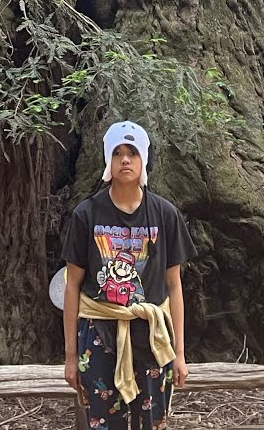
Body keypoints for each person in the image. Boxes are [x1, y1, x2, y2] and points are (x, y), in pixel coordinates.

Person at [62, 121, 197, 429]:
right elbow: (72, 286)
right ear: (108, 159)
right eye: (118, 153)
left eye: (133, 152)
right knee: (103, 422)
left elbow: (174, 287)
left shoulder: (165, 215)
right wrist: (71, 357)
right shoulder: (86, 214)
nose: (125, 160)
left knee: (153, 422)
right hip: (98, 335)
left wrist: (180, 354)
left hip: (152, 337)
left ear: (144, 159)